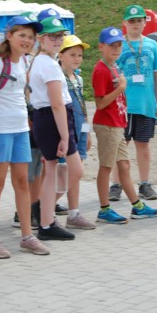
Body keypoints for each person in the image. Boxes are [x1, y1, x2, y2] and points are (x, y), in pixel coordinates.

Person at [0, 16, 51, 258]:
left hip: (20, 129)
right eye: (22, 35)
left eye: (31, 37)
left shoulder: (24, 60)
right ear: (9, 36)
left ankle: (27, 236)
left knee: (23, 182)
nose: (27, 40)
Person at [29, 17, 90, 238]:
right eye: (52, 36)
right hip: (53, 119)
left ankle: (45, 217)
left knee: (53, 172)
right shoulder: (47, 64)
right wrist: (64, 136)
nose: (57, 40)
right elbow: (56, 103)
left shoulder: (44, 61)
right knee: (72, 171)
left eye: (60, 36)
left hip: (50, 118)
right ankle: (44, 216)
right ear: (41, 38)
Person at [92, 27, 157, 224]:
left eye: (119, 46)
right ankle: (104, 209)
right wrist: (121, 88)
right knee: (106, 167)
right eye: (112, 46)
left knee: (124, 165)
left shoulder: (114, 66)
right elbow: (100, 103)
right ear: (101, 47)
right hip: (107, 124)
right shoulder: (101, 70)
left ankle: (137, 206)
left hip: (117, 123)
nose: (116, 49)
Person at [108, 4, 157, 202]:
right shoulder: (118, 45)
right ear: (124, 23)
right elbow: (111, 73)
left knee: (143, 145)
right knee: (120, 145)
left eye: (139, 20)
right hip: (123, 105)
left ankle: (145, 183)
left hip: (145, 104)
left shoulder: (152, 45)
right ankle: (116, 184)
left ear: (144, 22)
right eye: (131, 21)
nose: (135, 24)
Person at [59, 34, 96, 229]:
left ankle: (74, 212)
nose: (77, 59)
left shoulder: (78, 79)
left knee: (77, 170)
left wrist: (87, 132)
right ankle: (42, 208)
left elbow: (83, 108)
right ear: (61, 55)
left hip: (80, 129)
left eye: (80, 55)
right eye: (72, 54)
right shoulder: (58, 79)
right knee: (62, 171)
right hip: (66, 131)